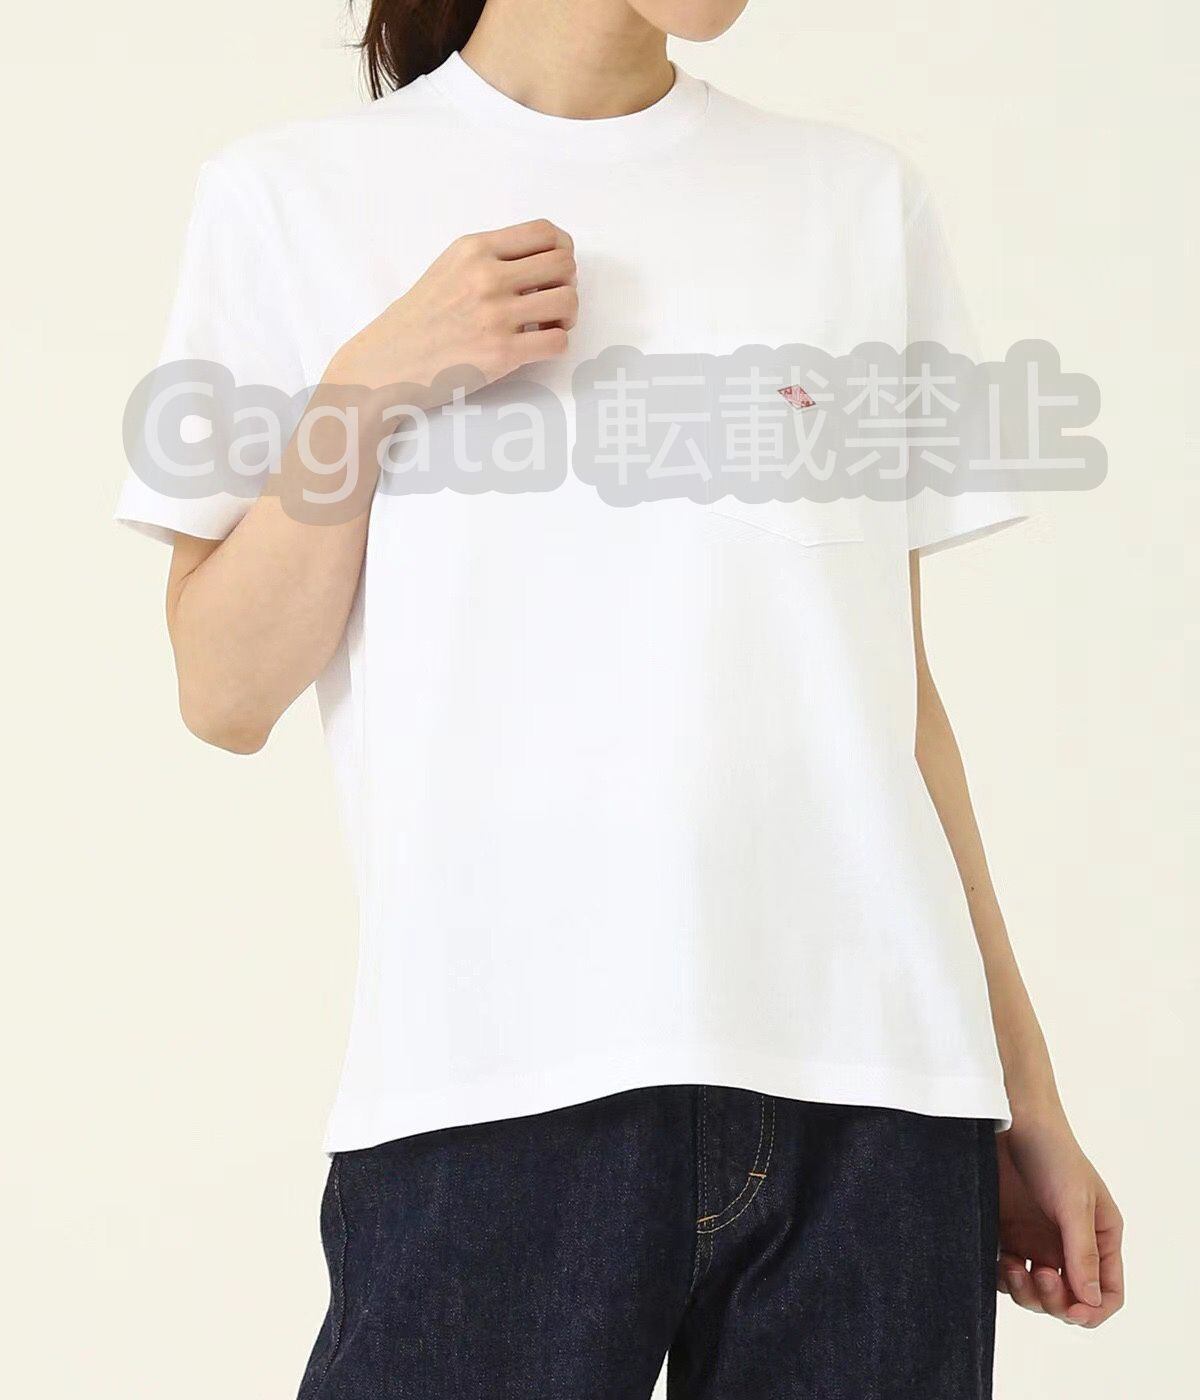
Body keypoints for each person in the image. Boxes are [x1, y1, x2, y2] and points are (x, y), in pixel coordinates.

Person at [114, 1, 1124, 1395]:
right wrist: (365, 389)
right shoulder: (294, 200)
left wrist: (1021, 1091)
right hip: (498, 1083)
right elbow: (223, 690)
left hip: (878, 1106)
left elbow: (895, 709)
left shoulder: (857, 203)